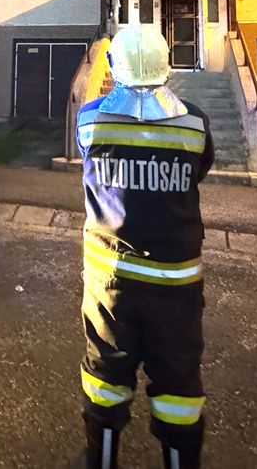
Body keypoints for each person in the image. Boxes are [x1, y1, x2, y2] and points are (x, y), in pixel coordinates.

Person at [76, 25, 214, 469]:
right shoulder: (195, 125)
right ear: (167, 67)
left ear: (114, 69)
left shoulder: (91, 119)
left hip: (110, 281)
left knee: (105, 378)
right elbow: (199, 170)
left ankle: (101, 459)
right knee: (177, 383)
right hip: (176, 287)